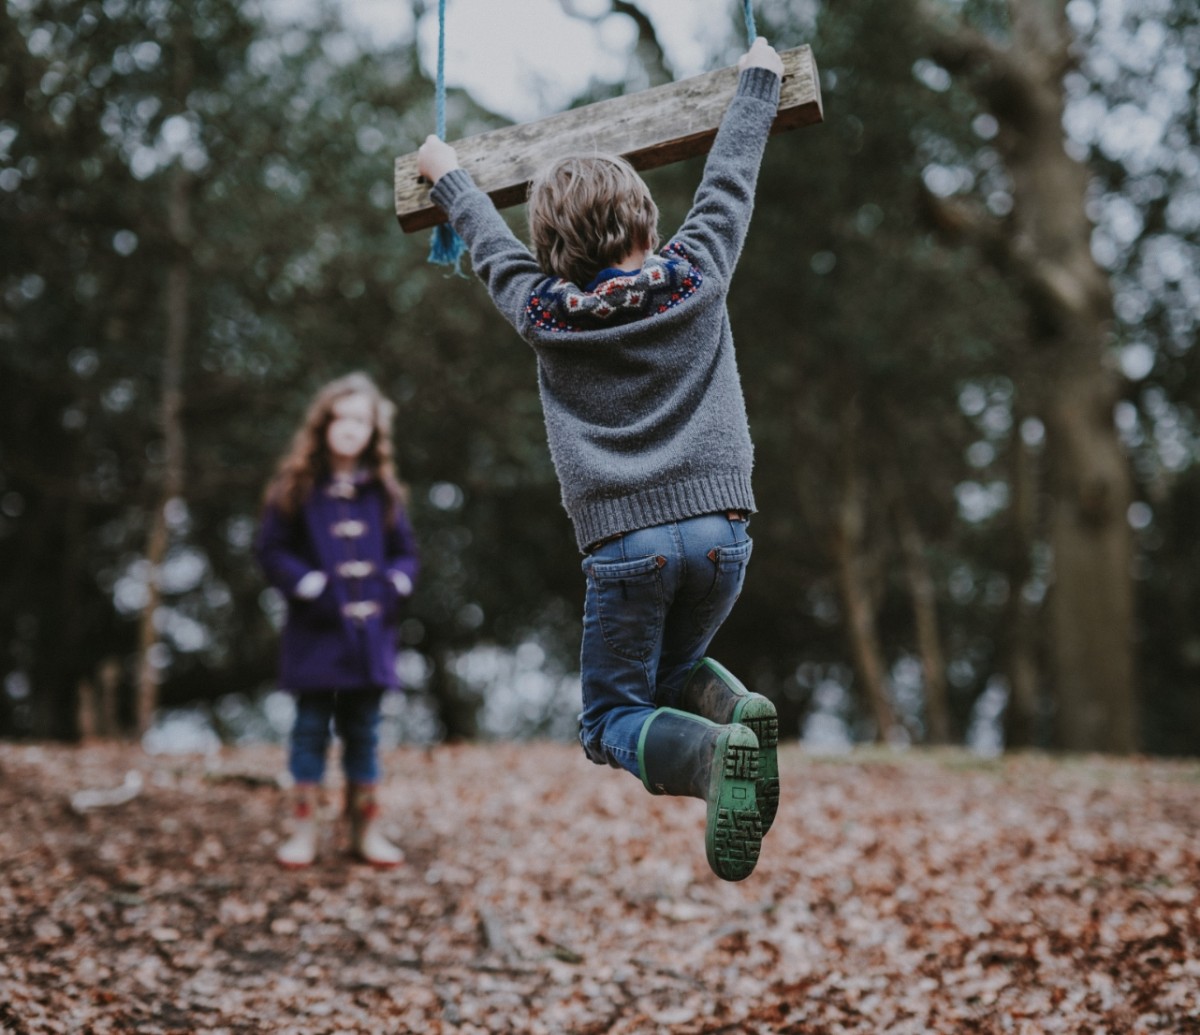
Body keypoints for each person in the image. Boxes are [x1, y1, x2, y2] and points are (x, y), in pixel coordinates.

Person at [416, 38, 784, 881]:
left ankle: (712, 758)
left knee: (610, 716)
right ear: (648, 219)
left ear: (556, 248)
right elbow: (731, 175)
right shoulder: (698, 273)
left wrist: (448, 173)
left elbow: (487, 245)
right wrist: (757, 76)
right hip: (724, 534)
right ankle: (739, 713)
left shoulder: (546, 310)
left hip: (628, 546)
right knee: (676, 670)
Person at [256, 372, 420, 870]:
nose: (351, 429)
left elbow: (406, 553)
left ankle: (363, 830)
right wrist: (308, 585)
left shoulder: (384, 492)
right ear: (323, 424)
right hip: (315, 634)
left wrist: (395, 584)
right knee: (309, 729)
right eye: (342, 418)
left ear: (374, 432)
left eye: (362, 421)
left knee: (365, 731)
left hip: (370, 637)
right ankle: (303, 831)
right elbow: (270, 549)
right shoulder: (296, 487)